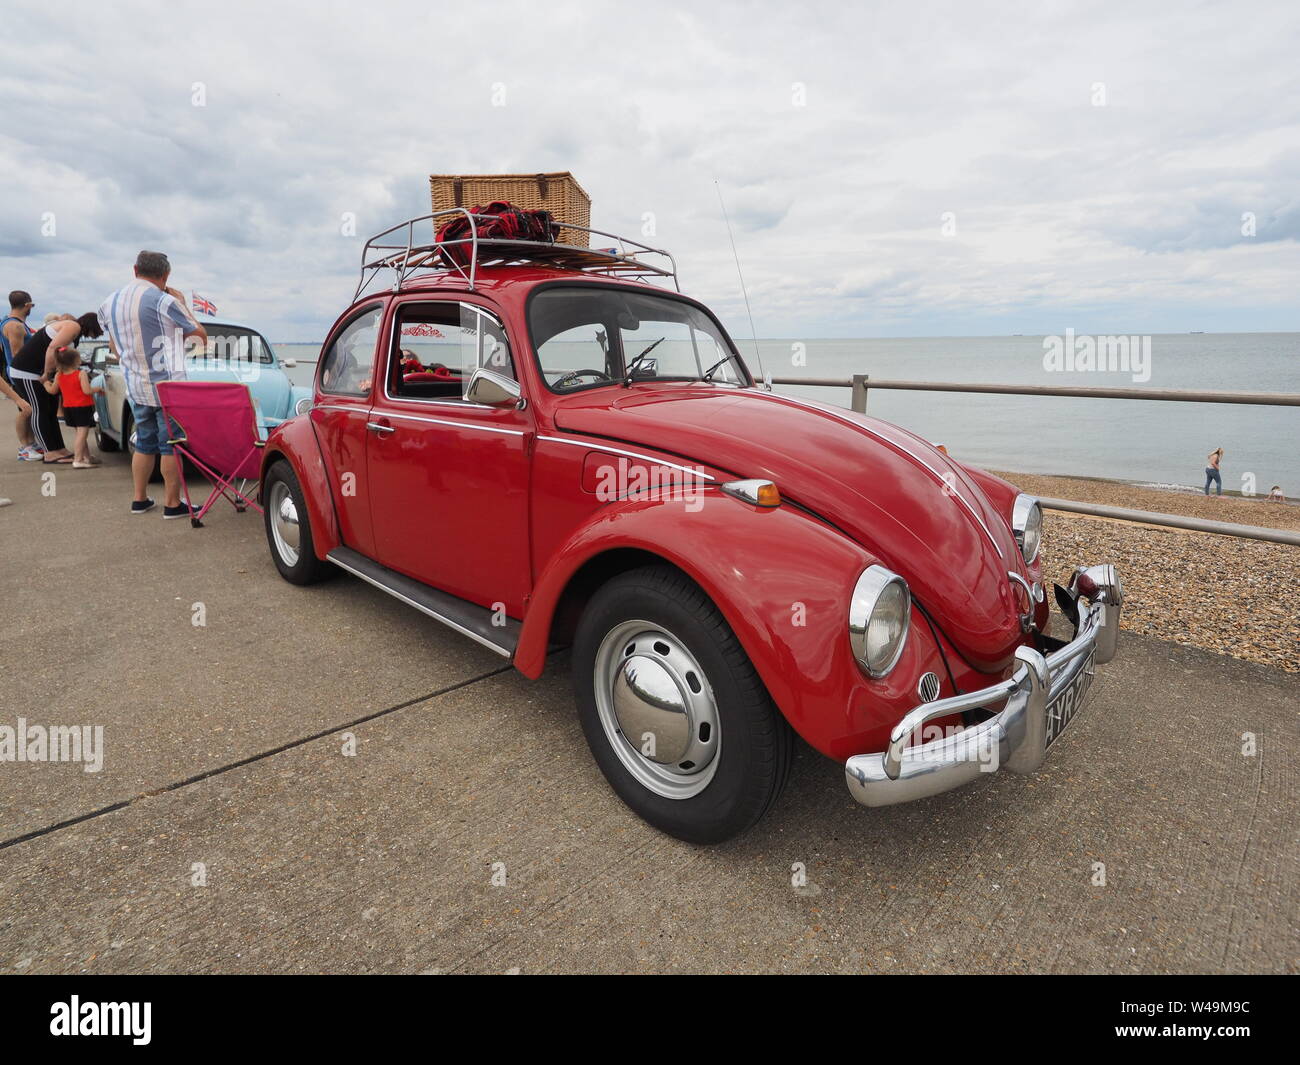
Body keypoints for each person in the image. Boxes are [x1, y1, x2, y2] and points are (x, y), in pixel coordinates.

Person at [97, 250, 207, 516]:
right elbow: (199, 338)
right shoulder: (164, 301)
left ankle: (140, 499)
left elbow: (114, 344)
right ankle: (172, 503)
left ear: (135, 270)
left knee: (144, 442)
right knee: (171, 444)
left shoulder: (109, 302)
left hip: (136, 385)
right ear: (166, 275)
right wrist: (183, 304)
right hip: (169, 388)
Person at [8, 312, 102, 464]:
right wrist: (46, 373)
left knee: (51, 411)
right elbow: (52, 348)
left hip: (38, 371)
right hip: (26, 371)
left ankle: (59, 448)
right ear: (93, 324)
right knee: (40, 409)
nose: (101, 333)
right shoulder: (73, 326)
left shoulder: (75, 331)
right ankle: (49, 452)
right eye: (100, 328)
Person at [43, 345, 102, 468]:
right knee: (82, 434)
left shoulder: (59, 375)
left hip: (68, 408)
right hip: (82, 407)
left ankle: (86, 457)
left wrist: (46, 384)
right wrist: (98, 389)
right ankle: (78, 459)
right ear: (76, 361)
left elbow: (53, 391)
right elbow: (87, 390)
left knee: (80, 433)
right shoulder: (81, 374)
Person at [2, 290, 38, 459]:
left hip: (19, 373)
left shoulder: (12, 323)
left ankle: (31, 443)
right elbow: (18, 355)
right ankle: (25, 448)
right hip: (21, 374)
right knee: (25, 409)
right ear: (26, 305)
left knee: (29, 410)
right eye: (32, 305)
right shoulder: (14, 326)